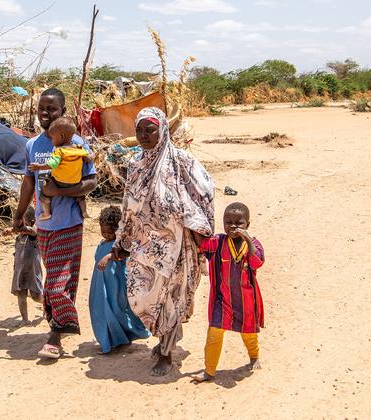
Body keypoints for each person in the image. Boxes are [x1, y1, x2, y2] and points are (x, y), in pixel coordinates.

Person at [111, 107, 215, 376]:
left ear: (163, 131)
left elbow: (205, 191)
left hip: (178, 246)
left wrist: (196, 222)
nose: (144, 135)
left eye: (150, 130)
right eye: (140, 130)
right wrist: (121, 239)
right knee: (143, 296)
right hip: (145, 245)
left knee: (170, 298)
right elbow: (128, 205)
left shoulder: (182, 161)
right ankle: (165, 339)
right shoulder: (136, 165)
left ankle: (166, 353)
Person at [12, 87, 97, 359]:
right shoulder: (32, 145)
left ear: (63, 112)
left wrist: (58, 190)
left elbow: (91, 181)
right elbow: (28, 182)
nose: (45, 113)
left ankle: (55, 336)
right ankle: (57, 325)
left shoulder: (77, 145)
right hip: (44, 224)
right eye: (42, 108)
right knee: (55, 280)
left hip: (69, 222)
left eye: (52, 109)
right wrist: (19, 213)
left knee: (57, 283)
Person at [192, 202, 265, 383]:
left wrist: (248, 239)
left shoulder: (254, 244)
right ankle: (209, 371)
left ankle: (254, 356)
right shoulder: (218, 242)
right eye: (228, 222)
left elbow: (257, 263)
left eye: (239, 223)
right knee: (214, 333)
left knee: (248, 333)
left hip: (245, 300)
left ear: (248, 224)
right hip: (222, 299)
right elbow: (201, 243)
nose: (233, 226)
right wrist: (191, 220)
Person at [91, 205, 149, 354]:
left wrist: (108, 257)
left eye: (110, 233)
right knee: (101, 313)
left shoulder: (119, 245)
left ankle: (122, 339)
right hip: (101, 287)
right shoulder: (101, 244)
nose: (106, 235)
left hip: (116, 287)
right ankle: (108, 341)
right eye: (103, 232)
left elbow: (125, 254)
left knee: (117, 312)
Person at [27, 116, 93, 220]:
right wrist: (92, 155)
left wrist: (38, 166)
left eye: (53, 138)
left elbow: (52, 165)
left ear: (61, 136)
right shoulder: (78, 148)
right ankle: (84, 211)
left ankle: (46, 213)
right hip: (75, 182)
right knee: (80, 196)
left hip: (59, 182)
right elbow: (88, 158)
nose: (52, 141)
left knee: (44, 189)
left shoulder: (59, 151)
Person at [9, 206, 43, 324]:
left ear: (32, 222)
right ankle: (25, 319)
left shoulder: (33, 235)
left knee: (36, 296)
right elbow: (17, 254)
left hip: (32, 271)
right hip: (20, 270)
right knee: (21, 294)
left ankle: (46, 304)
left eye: (21, 221)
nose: (18, 225)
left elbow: (31, 231)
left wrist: (21, 228)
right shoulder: (19, 238)